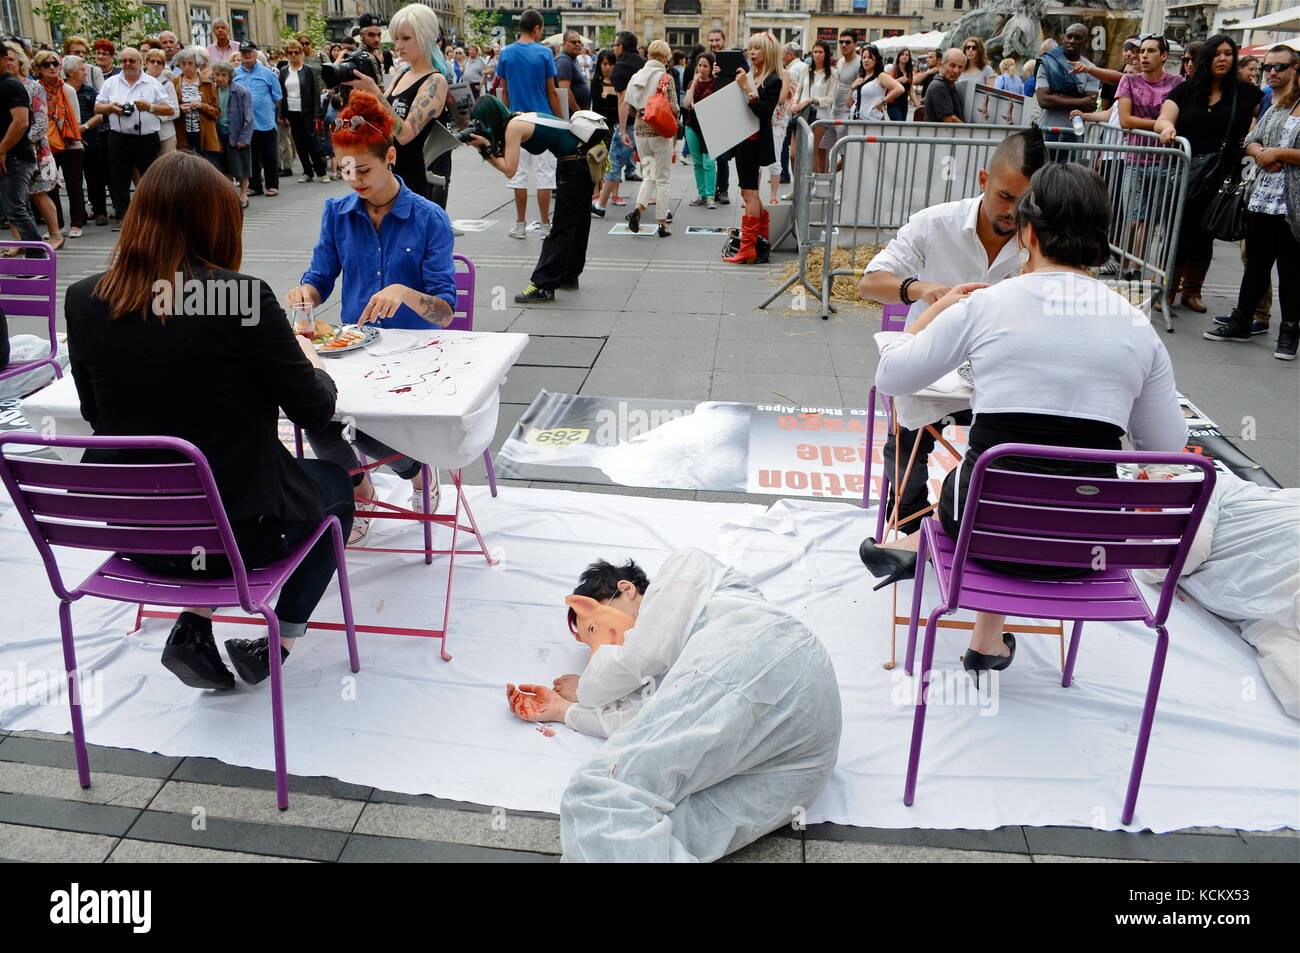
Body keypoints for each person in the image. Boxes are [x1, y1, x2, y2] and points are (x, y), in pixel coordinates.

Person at [860, 163, 1187, 682]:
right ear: (1105, 239)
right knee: (1029, 479)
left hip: (982, 531)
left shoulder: (988, 305)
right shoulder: (1137, 326)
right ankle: (982, 636)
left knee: (991, 480)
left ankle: (913, 542)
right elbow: (1168, 447)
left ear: (1029, 232)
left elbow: (892, 377)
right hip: (1085, 545)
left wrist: (933, 309)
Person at [65, 151, 354, 690]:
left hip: (139, 535)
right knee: (336, 485)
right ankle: (278, 642)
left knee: (226, 492)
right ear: (215, 222)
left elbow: (95, 415)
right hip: (239, 537)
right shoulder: (240, 297)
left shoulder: (85, 298)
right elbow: (313, 410)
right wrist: (311, 362)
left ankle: (193, 628)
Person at [507, 550, 841, 862]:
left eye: (594, 629)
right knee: (660, 828)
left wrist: (584, 688)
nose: (599, 649)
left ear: (626, 589)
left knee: (601, 797)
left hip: (767, 654)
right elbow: (644, 725)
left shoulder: (685, 570)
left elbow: (632, 660)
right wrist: (563, 712)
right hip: (798, 758)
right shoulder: (675, 664)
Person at [286, 92, 457, 543]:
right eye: (345, 170)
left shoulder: (429, 218)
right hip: (350, 349)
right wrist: (307, 290)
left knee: (365, 424)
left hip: (416, 355)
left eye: (364, 169)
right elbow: (321, 275)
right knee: (316, 414)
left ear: (391, 157)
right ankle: (361, 487)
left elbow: (445, 312)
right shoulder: (337, 213)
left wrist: (403, 293)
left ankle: (414, 466)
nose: (354, 180)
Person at [857, 129, 1045, 533]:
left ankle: (989, 521)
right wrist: (921, 289)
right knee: (907, 435)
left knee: (1025, 436)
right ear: (983, 180)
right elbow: (868, 283)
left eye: (1025, 203)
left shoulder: (1041, 239)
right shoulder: (935, 223)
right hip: (933, 367)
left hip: (1004, 372)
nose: (1012, 213)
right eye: (1004, 197)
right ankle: (906, 518)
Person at [1154, 35, 1262, 315]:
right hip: (1187, 170)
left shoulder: (1245, 92)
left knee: (1205, 232)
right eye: (1217, 53)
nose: (1223, 58)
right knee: (1178, 230)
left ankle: (1192, 290)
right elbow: (1164, 116)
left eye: (1229, 53)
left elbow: (1272, 115)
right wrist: (1167, 128)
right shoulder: (1188, 90)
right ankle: (1167, 289)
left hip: (1222, 174)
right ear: (1207, 59)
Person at [1207, 44, 1299, 359]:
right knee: (1256, 263)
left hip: (1293, 202)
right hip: (1263, 197)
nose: (1272, 72)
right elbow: (1250, 139)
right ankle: (1243, 320)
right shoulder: (1271, 104)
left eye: (1280, 67)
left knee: (1290, 269)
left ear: (1295, 69)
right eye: (1267, 67)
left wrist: (1280, 154)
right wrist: (1260, 152)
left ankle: (1289, 331)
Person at [467, 94, 603, 303]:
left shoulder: (513, 127)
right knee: (578, 222)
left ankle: (543, 285)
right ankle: (568, 274)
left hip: (575, 164)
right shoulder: (520, 118)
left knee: (562, 226)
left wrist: (485, 150)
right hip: (580, 161)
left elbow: (509, 170)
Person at [496, 8, 562, 240]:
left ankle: (520, 224)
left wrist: (502, 122)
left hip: (515, 119)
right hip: (542, 119)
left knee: (518, 174)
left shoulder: (506, 53)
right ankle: (545, 225)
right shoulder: (544, 53)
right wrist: (561, 120)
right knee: (545, 176)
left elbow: (503, 92)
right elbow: (552, 92)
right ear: (537, 28)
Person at [722, 33, 782, 264]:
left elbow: (764, 111)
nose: (752, 52)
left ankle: (749, 247)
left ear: (768, 51)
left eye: (757, 48)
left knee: (750, 194)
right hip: (744, 141)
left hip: (755, 143)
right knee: (749, 193)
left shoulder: (773, 80)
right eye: (751, 48)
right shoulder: (752, 76)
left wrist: (747, 88)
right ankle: (760, 240)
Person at [624, 40, 678, 236]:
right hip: (660, 133)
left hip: (640, 132)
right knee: (663, 179)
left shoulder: (636, 76)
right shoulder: (665, 78)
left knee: (648, 175)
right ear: (665, 58)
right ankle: (662, 224)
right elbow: (674, 108)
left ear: (648, 56)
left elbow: (629, 107)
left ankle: (638, 210)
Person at [35, 50, 82, 240]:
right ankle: (58, 224)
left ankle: (77, 223)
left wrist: (61, 128)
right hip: (46, 146)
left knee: (74, 184)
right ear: (38, 69)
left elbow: (76, 119)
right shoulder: (35, 89)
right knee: (50, 185)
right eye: (46, 64)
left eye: (55, 63)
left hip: (70, 144)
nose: (52, 67)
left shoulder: (67, 90)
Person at [594, 33, 643, 216]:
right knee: (648, 165)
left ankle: (601, 204)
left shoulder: (621, 67)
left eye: (615, 45)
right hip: (647, 121)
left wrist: (622, 130)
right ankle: (657, 207)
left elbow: (623, 100)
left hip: (629, 124)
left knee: (614, 163)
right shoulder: (643, 63)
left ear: (620, 47)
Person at [0, 43, 42, 254]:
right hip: (9, 156)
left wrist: (2, 149)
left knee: (16, 210)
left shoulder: (10, 85)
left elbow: (21, 122)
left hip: (16, 157)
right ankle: (35, 256)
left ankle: (38, 259)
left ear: (5, 60)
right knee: (19, 208)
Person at [1035, 23, 1101, 150]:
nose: (1072, 41)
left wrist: (1057, 96)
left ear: (1085, 41)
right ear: (1064, 38)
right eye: (1069, 36)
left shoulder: (1091, 70)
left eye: (1077, 38)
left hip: (1074, 132)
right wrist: (1080, 100)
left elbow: (1089, 105)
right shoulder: (1048, 62)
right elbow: (1043, 100)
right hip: (1047, 130)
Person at [234, 41, 283, 197]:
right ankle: (254, 185)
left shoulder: (267, 73)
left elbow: (277, 97)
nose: (246, 54)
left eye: (249, 51)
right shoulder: (235, 74)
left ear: (255, 53)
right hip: (245, 123)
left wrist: (264, 106)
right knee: (251, 156)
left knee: (269, 154)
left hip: (265, 121)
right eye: (243, 52)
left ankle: (272, 185)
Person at [68, 54, 110, 228]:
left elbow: (100, 115)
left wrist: (83, 128)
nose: (86, 73)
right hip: (69, 142)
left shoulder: (90, 91)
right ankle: (79, 215)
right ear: (70, 72)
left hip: (92, 139)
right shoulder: (62, 91)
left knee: (95, 178)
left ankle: (100, 211)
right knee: (73, 181)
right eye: (82, 69)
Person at [278, 41, 327, 182]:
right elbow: (281, 93)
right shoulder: (284, 71)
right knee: (299, 143)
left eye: (296, 52)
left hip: (307, 111)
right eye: (290, 52)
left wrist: (317, 114)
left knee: (311, 141)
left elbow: (316, 93)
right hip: (292, 111)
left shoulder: (308, 70)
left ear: (302, 53)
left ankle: (321, 172)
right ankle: (307, 172)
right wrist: (281, 113)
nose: (294, 55)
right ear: (287, 54)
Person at [212, 61, 252, 207]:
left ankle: (243, 193)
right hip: (219, 133)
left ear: (230, 76)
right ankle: (231, 194)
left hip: (236, 134)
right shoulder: (212, 90)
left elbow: (248, 117)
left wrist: (244, 137)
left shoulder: (241, 91)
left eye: (224, 75)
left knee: (241, 166)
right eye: (217, 75)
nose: (220, 78)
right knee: (224, 166)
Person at [171, 47, 219, 165]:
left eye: (190, 63)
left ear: (197, 65)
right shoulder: (174, 83)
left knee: (205, 166)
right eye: (183, 63)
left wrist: (201, 105)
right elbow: (170, 108)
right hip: (183, 133)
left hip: (204, 133)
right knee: (186, 167)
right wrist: (180, 109)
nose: (187, 66)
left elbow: (216, 112)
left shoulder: (207, 83)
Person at [682, 52, 717, 209]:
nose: (702, 69)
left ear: (711, 68)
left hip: (710, 126)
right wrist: (694, 83)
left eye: (705, 66)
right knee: (697, 162)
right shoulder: (692, 82)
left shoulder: (716, 83)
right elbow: (686, 103)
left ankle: (710, 195)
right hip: (692, 125)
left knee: (709, 162)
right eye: (700, 65)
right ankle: (701, 193)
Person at [589, 49, 620, 216]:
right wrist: (611, 97)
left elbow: (619, 102)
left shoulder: (618, 81)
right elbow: (597, 103)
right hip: (601, 125)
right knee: (600, 159)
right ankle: (596, 190)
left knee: (615, 158)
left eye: (611, 64)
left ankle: (615, 193)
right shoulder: (596, 82)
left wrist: (607, 96)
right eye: (605, 64)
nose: (608, 67)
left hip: (616, 125)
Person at [799, 40, 835, 173]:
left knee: (812, 150)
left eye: (820, 52)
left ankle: (810, 185)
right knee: (798, 152)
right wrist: (795, 103)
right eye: (815, 51)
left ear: (826, 54)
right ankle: (800, 184)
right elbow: (799, 90)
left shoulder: (832, 73)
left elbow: (831, 98)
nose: (817, 55)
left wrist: (814, 100)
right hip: (803, 113)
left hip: (820, 116)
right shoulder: (806, 70)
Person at [850, 42, 904, 123]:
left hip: (872, 121)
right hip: (856, 121)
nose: (866, 60)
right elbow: (848, 104)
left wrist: (883, 102)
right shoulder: (861, 78)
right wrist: (852, 88)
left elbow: (900, 88)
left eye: (870, 57)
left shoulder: (881, 76)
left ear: (876, 60)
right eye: (864, 57)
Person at [780, 42, 808, 181]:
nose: (782, 58)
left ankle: (784, 173)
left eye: (783, 55)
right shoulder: (804, 66)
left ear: (790, 55)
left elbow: (791, 93)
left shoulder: (792, 70)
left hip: (792, 112)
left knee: (786, 145)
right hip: (804, 112)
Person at [143, 48, 179, 154]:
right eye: (152, 61)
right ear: (146, 63)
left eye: (159, 62)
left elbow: (175, 111)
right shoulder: (140, 82)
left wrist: (155, 114)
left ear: (163, 66)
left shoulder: (168, 84)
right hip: (145, 134)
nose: (155, 64)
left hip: (165, 134)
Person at [923, 48, 966, 124]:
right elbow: (950, 119)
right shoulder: (939, 86)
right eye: (952, 65)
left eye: (960, 67)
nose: (956, 70)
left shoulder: (947, 84)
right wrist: (970, 132)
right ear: (942, 65)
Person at [556, 31, 591, 116]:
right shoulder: (564, 61)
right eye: (573, 42)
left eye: (579, 42)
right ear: (564, 43)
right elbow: (565, 91)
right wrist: (578, 113)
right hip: (572, 117)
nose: (577, 44)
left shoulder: (573, 59)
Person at [887, 48, 917, 120]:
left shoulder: (909, 72)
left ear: (909, 58)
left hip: (904, 104)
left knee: (901, 127)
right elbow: (887, 85)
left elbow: (911, 90)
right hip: (893, 104)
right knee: (898, 123)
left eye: (907, 55)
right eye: (902, 54)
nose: (905, 56)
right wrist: (899, 80)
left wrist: (917, 104)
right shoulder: (893, 70)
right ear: (899, 57)